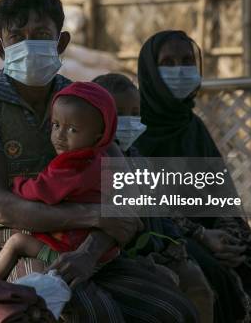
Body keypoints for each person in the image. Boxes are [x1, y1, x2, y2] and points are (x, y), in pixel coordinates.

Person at [0, 0, 199, 322]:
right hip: (6, 240)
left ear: (62, 42)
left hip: (86, 241)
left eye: (41, 34)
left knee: (174, 310)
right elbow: (0, 206)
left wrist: (89, 251)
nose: (30, 44)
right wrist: (94, 215)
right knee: (78, 309)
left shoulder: (83, 100)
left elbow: (125, 191)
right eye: (17, 37)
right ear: (0, 48)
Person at [133, 30, 251, 323]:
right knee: (216, 281)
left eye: (186, 61)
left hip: (214, 236)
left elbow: (219, 192)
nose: (179, 70)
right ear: (150, 71)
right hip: (166, 236)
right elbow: (144, 204)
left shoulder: (192, 126)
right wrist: (200, 236)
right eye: (167, 63)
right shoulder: (134, 129)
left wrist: (231, 236)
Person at [94, 73, 214, 323]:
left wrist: (175, 245)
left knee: (199, 287)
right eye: (119, 113)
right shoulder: (95, 165)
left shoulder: (141, 160)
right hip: (125, 259)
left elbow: (163, 212)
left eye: (134, 113)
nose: (128, 121)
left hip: (162, 252)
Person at [0, 82, 121, 281]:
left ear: (98, 135)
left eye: (72, 129)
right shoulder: (102, 161)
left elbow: (42, 191)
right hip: (103, 250)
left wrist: (18, 185)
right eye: (56, 125)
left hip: (69, 249)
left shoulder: (71, 166)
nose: (60, 136)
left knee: (17, 242)